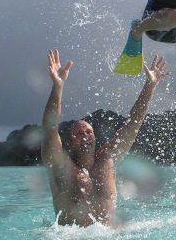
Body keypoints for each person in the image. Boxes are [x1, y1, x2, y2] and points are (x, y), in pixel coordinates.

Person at [41, 49, 169, 227]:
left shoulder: (107, 159)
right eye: (78, 134)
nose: (85, 136)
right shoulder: (61, 165)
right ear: (68, 142)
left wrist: (150, 86)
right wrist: (58, 87)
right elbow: (49, 130)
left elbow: (133, 124)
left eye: (88, 132)